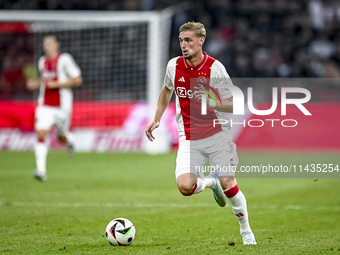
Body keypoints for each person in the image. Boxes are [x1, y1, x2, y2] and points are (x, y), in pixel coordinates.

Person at [145, 22, 256, 245]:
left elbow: (234, 104)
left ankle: (246, 231)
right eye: (181, 41)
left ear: (200, 41)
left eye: (188, 40)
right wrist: (157, 117)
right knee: (185, 187)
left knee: (229, 182)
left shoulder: (215, 68)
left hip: (217, 134)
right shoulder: (174, 66)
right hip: (189, 136)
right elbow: (167, 89)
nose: (183, 45)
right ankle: (211, 183)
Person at [26, 35, 82, 181]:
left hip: (62, 107)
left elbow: (77, 80)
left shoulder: (65, 59)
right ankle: (41, 171)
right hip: (45, 106)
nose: (47, 46)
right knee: (41, 133)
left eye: (50, 43)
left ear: (57, 44)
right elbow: (46, 82)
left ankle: (70, 139)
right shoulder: (42, 62)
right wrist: (36, 84)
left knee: (61, 137)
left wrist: (57, 84)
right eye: (45, 44)